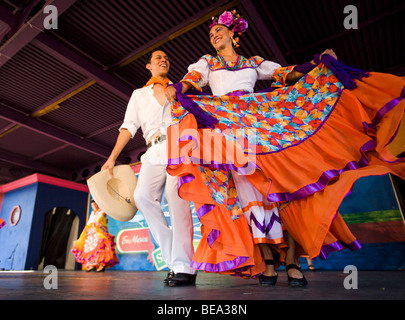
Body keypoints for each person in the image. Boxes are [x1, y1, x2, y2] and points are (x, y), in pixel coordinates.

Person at [165, 10, 405, 287]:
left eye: (219, 30)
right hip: (232, 129)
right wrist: (178, 87)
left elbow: (285, 74)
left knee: (285, 188)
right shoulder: (207, 62)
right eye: (211, 34)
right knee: (249, 193)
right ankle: (268, 262)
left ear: (233, 34)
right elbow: (193, 79)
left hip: (263, 122)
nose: (214, 35)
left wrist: (319, 65)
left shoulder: (253, 62)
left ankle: (292, 261)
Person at [101, 49, 196, 286]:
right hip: (152, 150)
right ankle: (175, 258)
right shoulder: (139, 94)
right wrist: (112, 157)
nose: (164, 60)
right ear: (149, 66)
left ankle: (183, 266)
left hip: (179, 146)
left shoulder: (179, 89)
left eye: (166, 57)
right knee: (142, 197)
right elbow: (129, 126)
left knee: (178, 202)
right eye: (158, 58)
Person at [71, 200, 119, 271]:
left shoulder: (102, 211)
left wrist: (103, 217)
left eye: (95, 204)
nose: (94, 206)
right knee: (90, 248)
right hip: (91, 233)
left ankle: (101, 265)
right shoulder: (92, 213)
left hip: (100, 233)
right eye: (92, 205)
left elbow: (105, 221)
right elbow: (89, 223)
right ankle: (92, 264)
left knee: (101, 248)